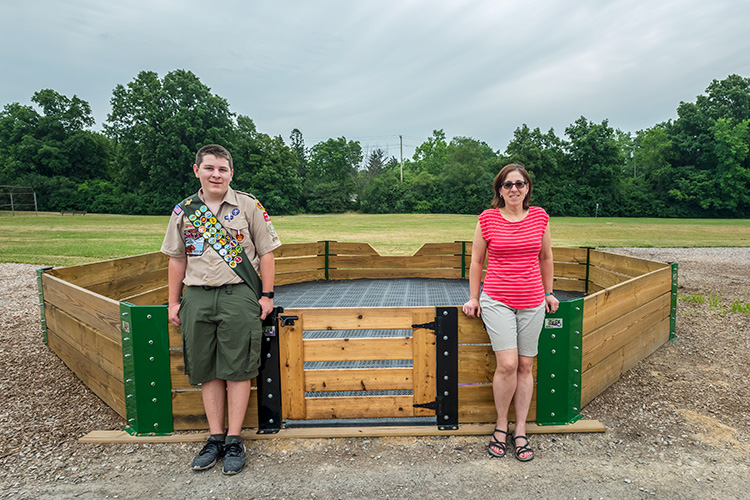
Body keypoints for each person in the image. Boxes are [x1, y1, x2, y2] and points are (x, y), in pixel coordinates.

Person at [161, 144, 281, 475]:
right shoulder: (184, 210)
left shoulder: (248, 205)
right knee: (206, 367)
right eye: (210, 167)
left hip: (239, 294)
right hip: (197, 296)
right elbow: (177, 258)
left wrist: (267, 295)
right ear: (196, 170)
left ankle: (233, 439)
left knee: (239, 366)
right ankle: (214, 437)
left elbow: (267, 252)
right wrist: (174, 301)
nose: (217, 174)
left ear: (231, 173)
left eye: (223, 169)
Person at [462, 163, 559, 462]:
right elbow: (477, 261)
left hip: (531, 300)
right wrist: (474, 297)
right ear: (499, 190)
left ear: (527, 188)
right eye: (507, 185)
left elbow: (546, 256)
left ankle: (521, 430)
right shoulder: (487, 219)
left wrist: (549, 292)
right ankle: (500, 426)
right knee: (507, 364)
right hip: (497, 300)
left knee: (526, 366)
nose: (514, 189)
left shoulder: (540, 217)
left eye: (519, 184)